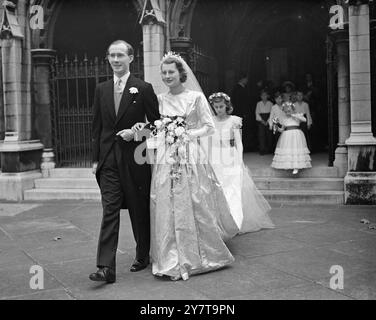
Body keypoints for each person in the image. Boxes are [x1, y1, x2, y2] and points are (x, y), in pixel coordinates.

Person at [143, 53, 239, 281]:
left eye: (171, 72)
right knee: (166, 199)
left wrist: (186, 133)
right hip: (167, 155)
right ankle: (169, 254)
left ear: (181, 73)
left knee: (193, 198)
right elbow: (156, 127)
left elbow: (208, 127)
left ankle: (199, 254)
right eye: (164, 73)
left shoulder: (195, 97)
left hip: (189, 153)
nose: (167, 76)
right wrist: (157, 135)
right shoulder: (159, 99)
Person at [89, 40, 160, 284]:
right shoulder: (101, 89)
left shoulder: (143, 88)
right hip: (108, 159)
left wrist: (137, 133)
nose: (116, 60)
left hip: (135, 158)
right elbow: (97, 126)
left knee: (138, 208)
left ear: (131, 58)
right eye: (112, 56)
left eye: (120, 55)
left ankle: (142, 255)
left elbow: (156, 125)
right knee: (109, 210)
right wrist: (95, 159)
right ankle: (105, 267)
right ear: (108, 59)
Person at [208, 92, 274, 233]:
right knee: (219, 191)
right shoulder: (210, 121)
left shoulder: (234, 121)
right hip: (215, 157)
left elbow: (239, 142)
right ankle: (222, 223)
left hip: (230, 157)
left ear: (227, 106)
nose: (218, 109)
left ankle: (235, 222)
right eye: (216, 107)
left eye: (221, 106)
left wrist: (239, 160)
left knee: (232, 191)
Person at [271, 102, 312, 175]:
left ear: (293, 110)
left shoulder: (297, 116)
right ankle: (288, 165)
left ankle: (296, 167)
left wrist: (293, 115)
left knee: (296, 149)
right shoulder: (284, 119)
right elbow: (282, 129)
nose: (287, 113)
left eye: (289, 111)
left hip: (296, 134)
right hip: (287, 135)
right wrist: (276, 126)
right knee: (288, 150)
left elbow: (304, 120)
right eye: (286, 111)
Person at [231, 73, 252, 151]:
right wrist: (244, 112)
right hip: (240, 112)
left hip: (242, 112)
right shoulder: (238, 89)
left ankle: (244, 146)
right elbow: (239, 102)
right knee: (241, 129)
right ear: (242, 79)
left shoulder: (241, 88)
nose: (247, 81)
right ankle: (242, 146)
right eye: (246, 79)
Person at [255, 90, 273, 155]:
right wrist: (262, 121)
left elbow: (272, 113)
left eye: (265, 95)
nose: (264, 96)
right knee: (261, 135)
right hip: (261, 119)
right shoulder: (258, 103)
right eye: (262, 95)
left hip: (268, 118)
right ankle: (262, 149)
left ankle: (269, 149)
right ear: (260, 96)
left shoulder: (270, 103)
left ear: (267, 96)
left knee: (269, 135)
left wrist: (268, 121)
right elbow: (257, 113)